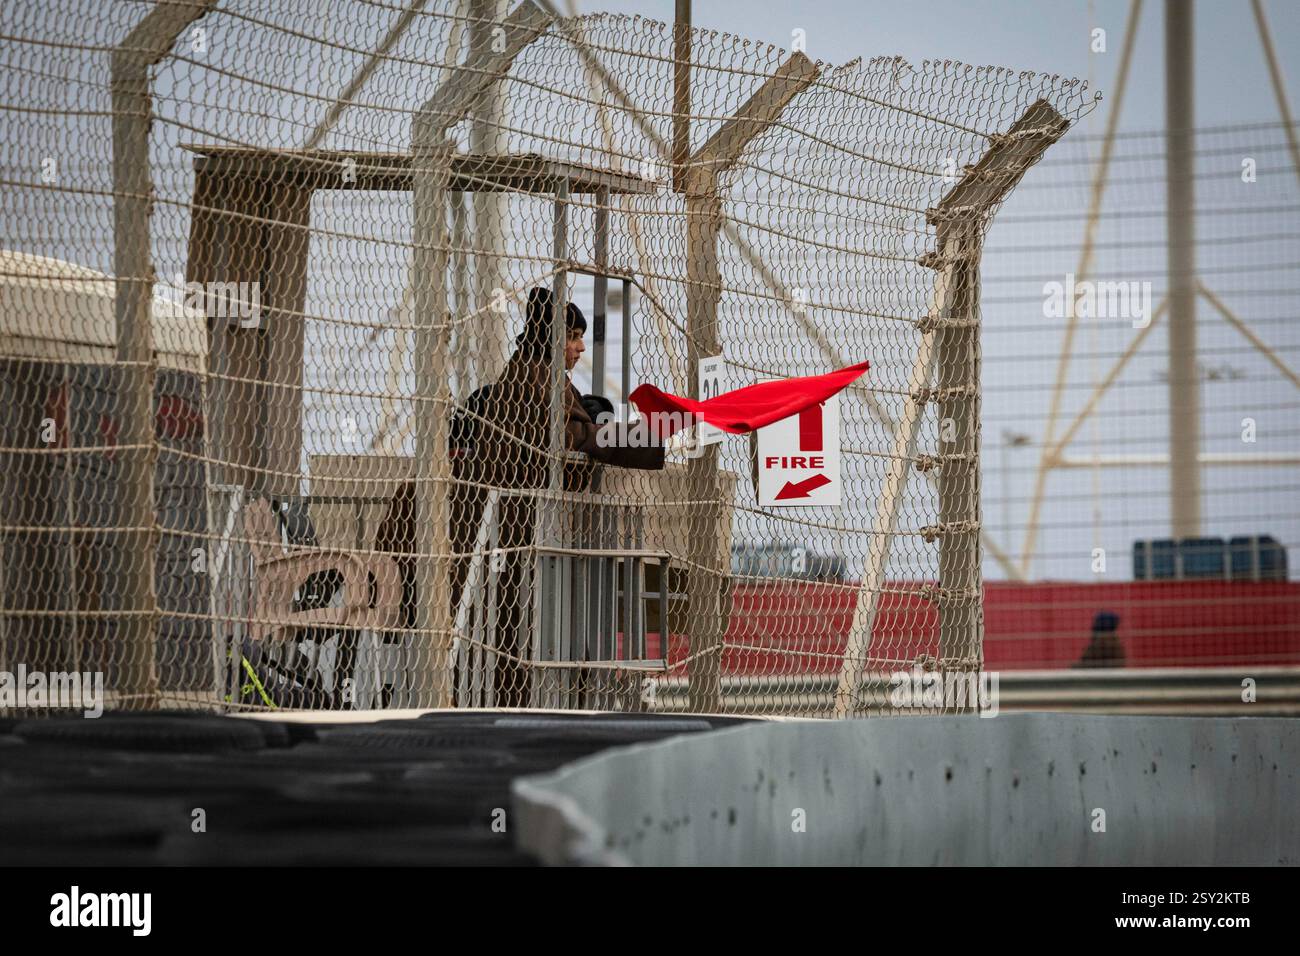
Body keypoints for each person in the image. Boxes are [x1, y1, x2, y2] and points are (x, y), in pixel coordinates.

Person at [376, 287, 664, 705]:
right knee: (514, 635)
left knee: (515, 637)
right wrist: (652, 437)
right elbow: (574, 438)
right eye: (573, 336)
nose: (581, 347)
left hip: (514, 534)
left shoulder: (533, 375)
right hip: (511, 536)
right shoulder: (535, 381)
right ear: (551, 338)